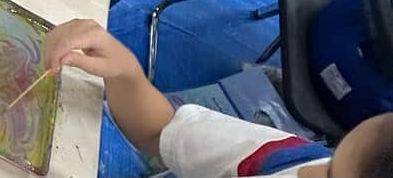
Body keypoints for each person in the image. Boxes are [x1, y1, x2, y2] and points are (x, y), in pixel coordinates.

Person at [44, 19, 393, 177]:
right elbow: (159, 130)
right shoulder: (280, 157)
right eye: (329, 165)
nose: (310, 174)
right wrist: (124, 71)